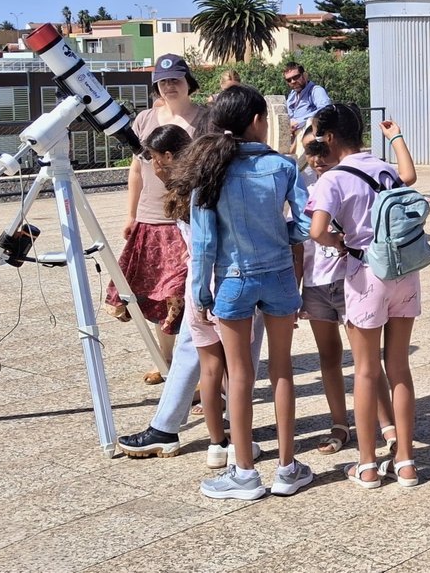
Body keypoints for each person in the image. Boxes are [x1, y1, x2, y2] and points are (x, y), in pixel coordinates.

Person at [187, 85, 313, 500]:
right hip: (278, 273)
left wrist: (201, 292)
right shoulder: (283, 166)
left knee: (238, 375)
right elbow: (304, 221)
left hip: (233, 278)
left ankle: (243, 472)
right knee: (282, 370)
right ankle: (287, 468)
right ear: (259, 121)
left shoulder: (208, 170)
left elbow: (203, 243)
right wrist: (285, 236)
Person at [115, 126, 263, 465]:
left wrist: (196, 280)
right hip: (236, 274)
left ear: (168, 157)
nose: (152, 166)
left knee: (208, 357)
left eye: (153, 159)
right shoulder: (205, 179)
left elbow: (204, 239)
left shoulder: (192, 186)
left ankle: (191, 432)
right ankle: (227, 429)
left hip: (213, 277)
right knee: (237, 358)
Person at [306, 105, 419, 489]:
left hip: (365, 274)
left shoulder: (331, 180)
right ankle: (405, 461)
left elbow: (317, 230)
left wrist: (340, 241)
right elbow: (409, 176)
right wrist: (397, 138)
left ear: (331, 138)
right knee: (399, 367)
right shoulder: (383, 168)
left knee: (367, 371)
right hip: (404, 272)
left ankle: (368, 465)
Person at [106, 53, 207, 385]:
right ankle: (164, 359)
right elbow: (136, 169)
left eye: (175, 80)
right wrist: (130, 214)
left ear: (187, 81)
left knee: (180, 294)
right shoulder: (144, 119)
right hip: (150, 218)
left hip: (186, 217)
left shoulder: (204, 119)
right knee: (154, 295)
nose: (169, 86)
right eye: (163, 82)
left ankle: (189, 364)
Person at [283, 61, 331, 152]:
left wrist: (298, 122)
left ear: (304, 75)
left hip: (311, 144)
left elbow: (326, 109)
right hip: (293, 142)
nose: (293, 81)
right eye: (289, 80)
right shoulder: (292, 95)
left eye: (296, 77)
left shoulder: (316, 91)